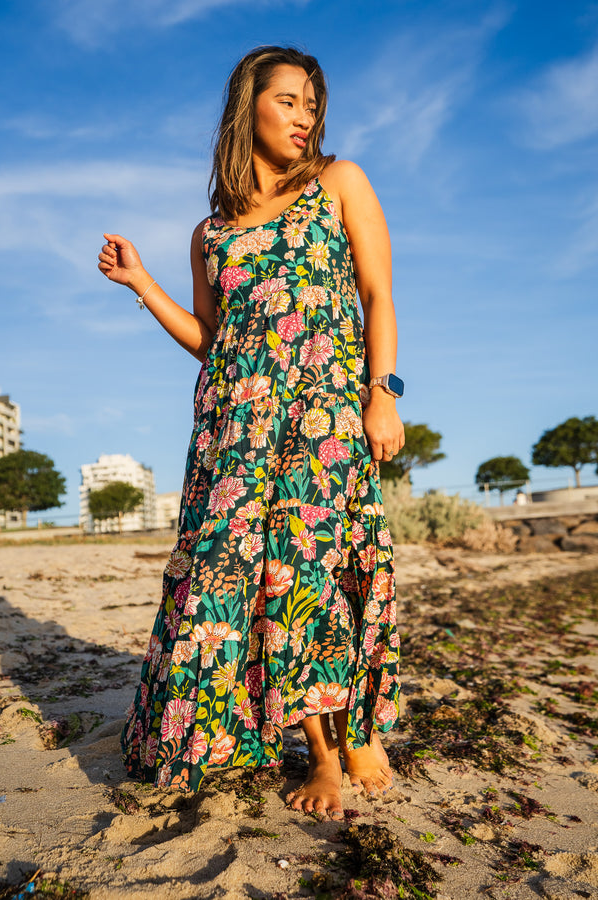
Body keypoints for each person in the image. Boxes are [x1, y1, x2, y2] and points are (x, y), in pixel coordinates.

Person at [98, 46, 405, 820]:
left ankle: (335, 749)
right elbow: (211, 339)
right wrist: (143, 285)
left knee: (311, 578)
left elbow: (377, 294)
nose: (305, 118)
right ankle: (311, 738)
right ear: (249, 108)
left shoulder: (340, 184)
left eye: (313, 105)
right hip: (231, 431)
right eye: (290, 102)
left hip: (322, 421)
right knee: (236, 580)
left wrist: (382, 394)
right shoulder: (210, 232)